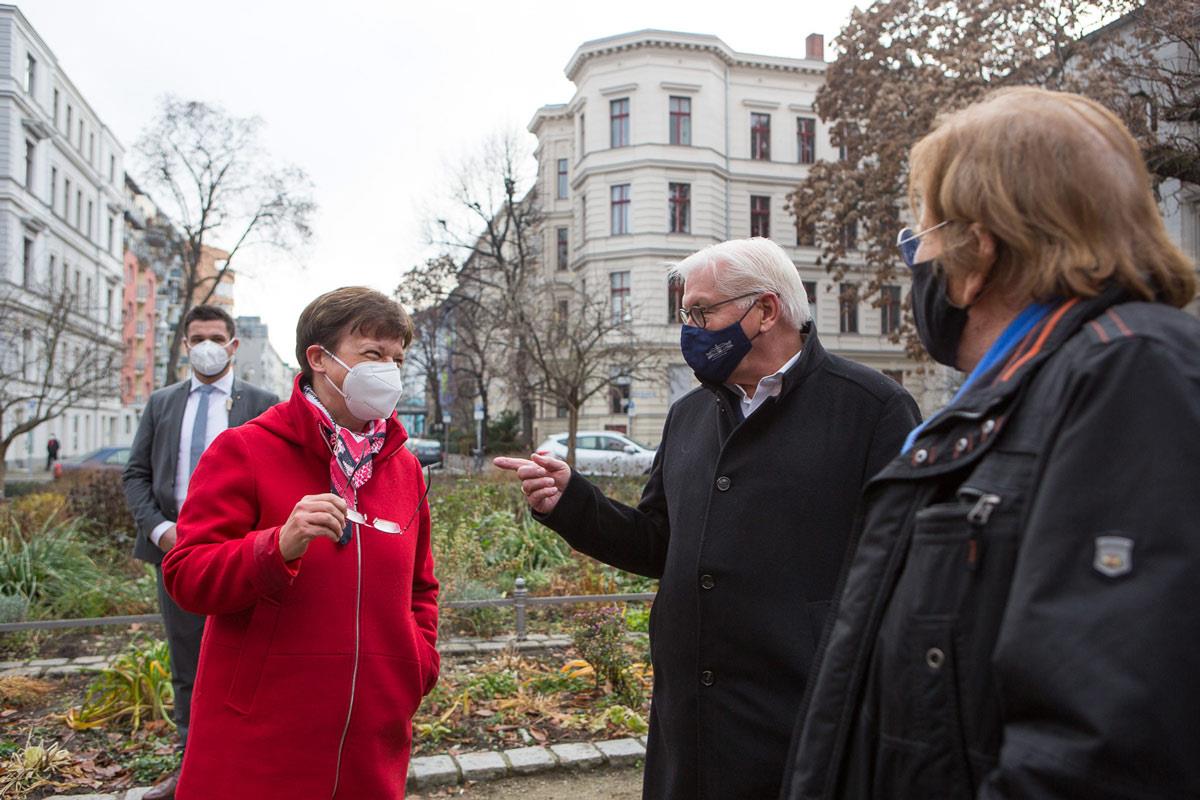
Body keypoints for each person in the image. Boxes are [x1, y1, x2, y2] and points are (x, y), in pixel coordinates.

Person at [781, 87, 1200, 800]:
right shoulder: (1025, 389)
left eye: (919, 241)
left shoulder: (1131, 374)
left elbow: (1104, 751)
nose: (918, 271)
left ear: (979, 251)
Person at [496, 238, 920, 799]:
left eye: (702, 312)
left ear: (766, 311)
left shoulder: (872, 407)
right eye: (685, 314)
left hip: (803, 724)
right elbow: (657, 542)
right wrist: (570, 500)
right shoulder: (689, 414)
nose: (691, 328)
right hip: (691, 727)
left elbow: (901, 572)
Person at [161, 287, 439, 799]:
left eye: (397, 359)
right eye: (373, 355)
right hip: (262, 743)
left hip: (371, 746)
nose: (389, 372)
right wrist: (276, 546)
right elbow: (187, 575)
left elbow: (422, 588)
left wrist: (416, 665)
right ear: (319, 358)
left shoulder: (405, 470)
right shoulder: (244, 449)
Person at [122, 305, 278, 799]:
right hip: (177, 554)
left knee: (254, 662)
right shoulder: (162, 403)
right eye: (197, 337)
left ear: (233, 345)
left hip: (246, 555)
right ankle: (190, 772)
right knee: (187, 664)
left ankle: (253, 767)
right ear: (185, 345)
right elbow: (137, 475)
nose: (206, 345)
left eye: (216, 336)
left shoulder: (263, 402)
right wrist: (161, 530)